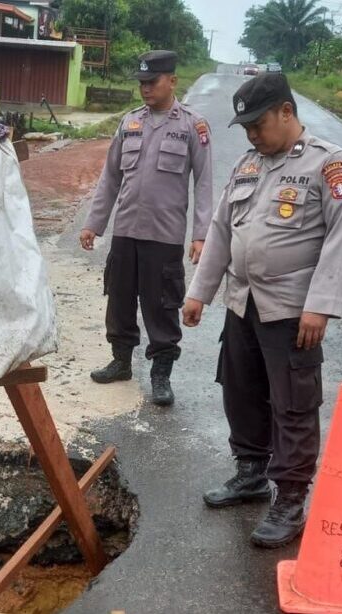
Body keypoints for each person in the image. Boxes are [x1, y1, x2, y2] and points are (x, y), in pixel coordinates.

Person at [183, 72, 342, 548]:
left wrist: (319, 306)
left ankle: (292, 499)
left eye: (258, 124)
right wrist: (200, 292)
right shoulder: (248, 165)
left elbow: (340, 241)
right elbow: (220, 231)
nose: (252, 134)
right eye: (246, 128)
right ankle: (251, 473)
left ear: (286, 111)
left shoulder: (329, 165)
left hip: (292, 311)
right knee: (241, 390)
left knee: (294, 405)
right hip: (242, 304)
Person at [80, 50, 213, 406]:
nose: (144, 89)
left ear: (172, 80)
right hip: (126, 230)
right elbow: (110, 177)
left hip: (165, 234)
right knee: (120, 299)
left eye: (151, 82)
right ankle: (121, 361)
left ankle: (161, 374)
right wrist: (94, 223)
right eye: (140, 83)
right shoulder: (130, 123)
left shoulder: (192, 126)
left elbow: (204, 183)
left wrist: (201, 234)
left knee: (161, 306)